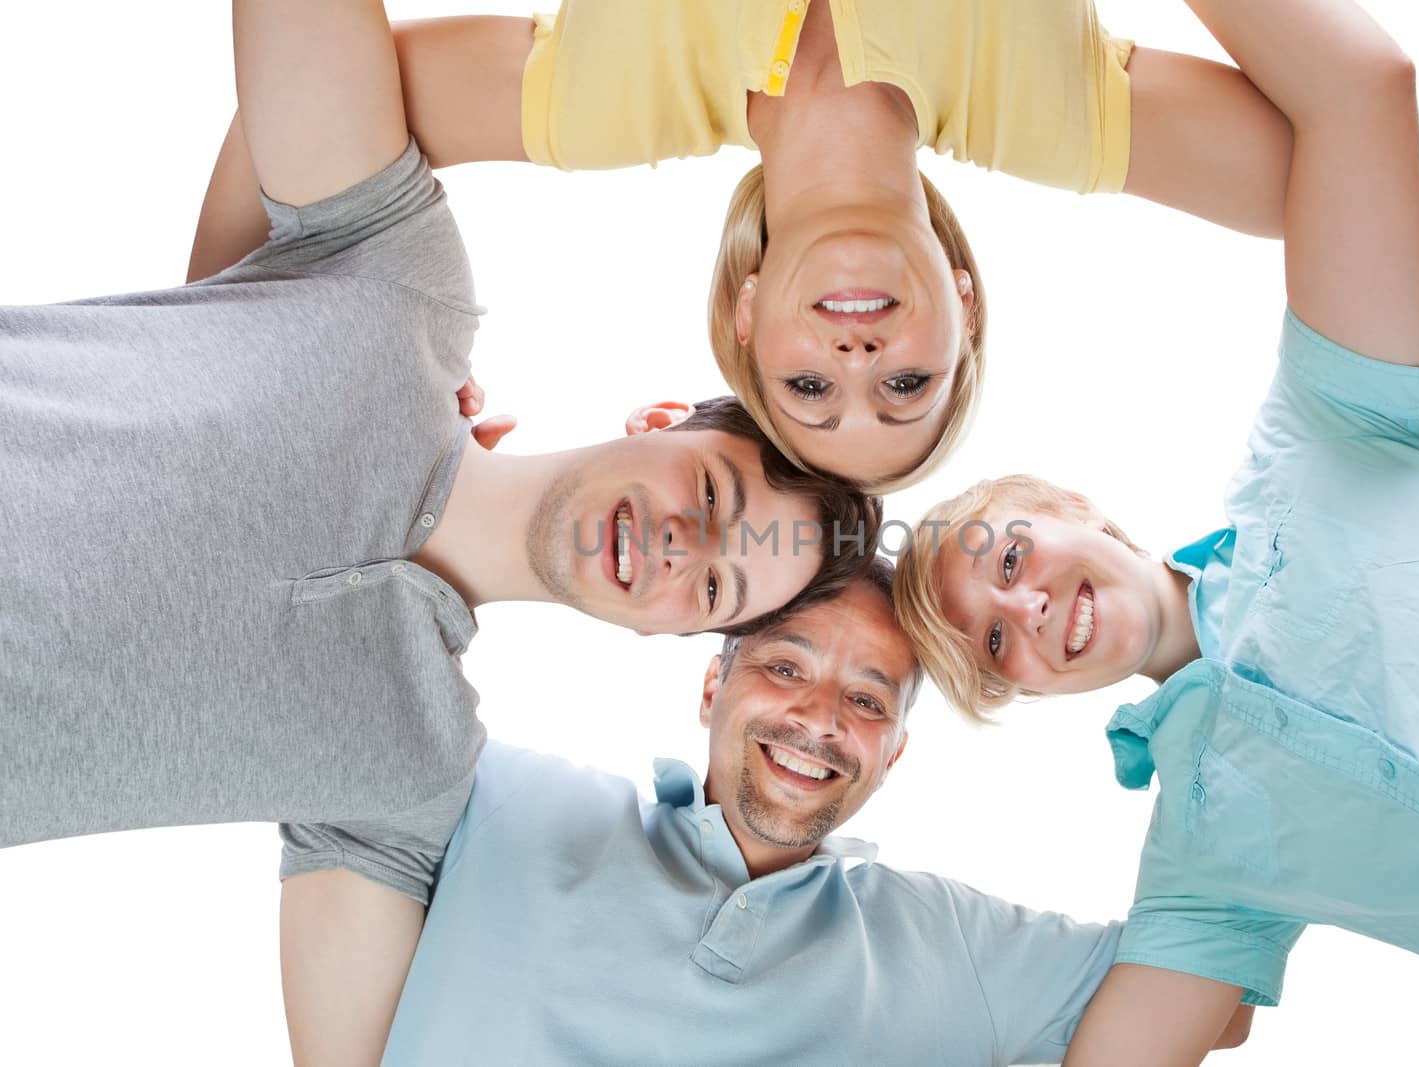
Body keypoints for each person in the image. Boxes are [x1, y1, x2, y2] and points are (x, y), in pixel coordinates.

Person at [0, 0, 878, 913]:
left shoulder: (405, 770)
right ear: (660, 418)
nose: (680, 547)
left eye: (710, 589)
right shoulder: (401, 290)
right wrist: (789, 117)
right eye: (709, 494)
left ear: (661, 635)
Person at [892, 0, 1419, 1062]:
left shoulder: (1325, 441)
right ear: (1025, 692)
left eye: (1008, 554)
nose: (1027, 606)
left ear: (1078, 505)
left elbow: (1364, 91)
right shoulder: (1203, 864)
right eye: (995, 642)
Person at [186, 0, 1297, 491]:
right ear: (965, 298)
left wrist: (270, 410)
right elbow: (1347, 176)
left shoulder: (605, 106)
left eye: (810, 388)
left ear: (746, 318)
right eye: (907, 385)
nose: (859, 368)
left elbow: (299, 109)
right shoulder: (1057, 116)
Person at [284, 556, 1254, 1064]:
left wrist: (1192, 652)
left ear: (894, 750)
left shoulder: (949, 945)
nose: (819, 718)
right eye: (785, 666)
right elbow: (331, 683)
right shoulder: (507, 800)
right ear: (714, 683)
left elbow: (1216, 989)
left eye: (867, 698)